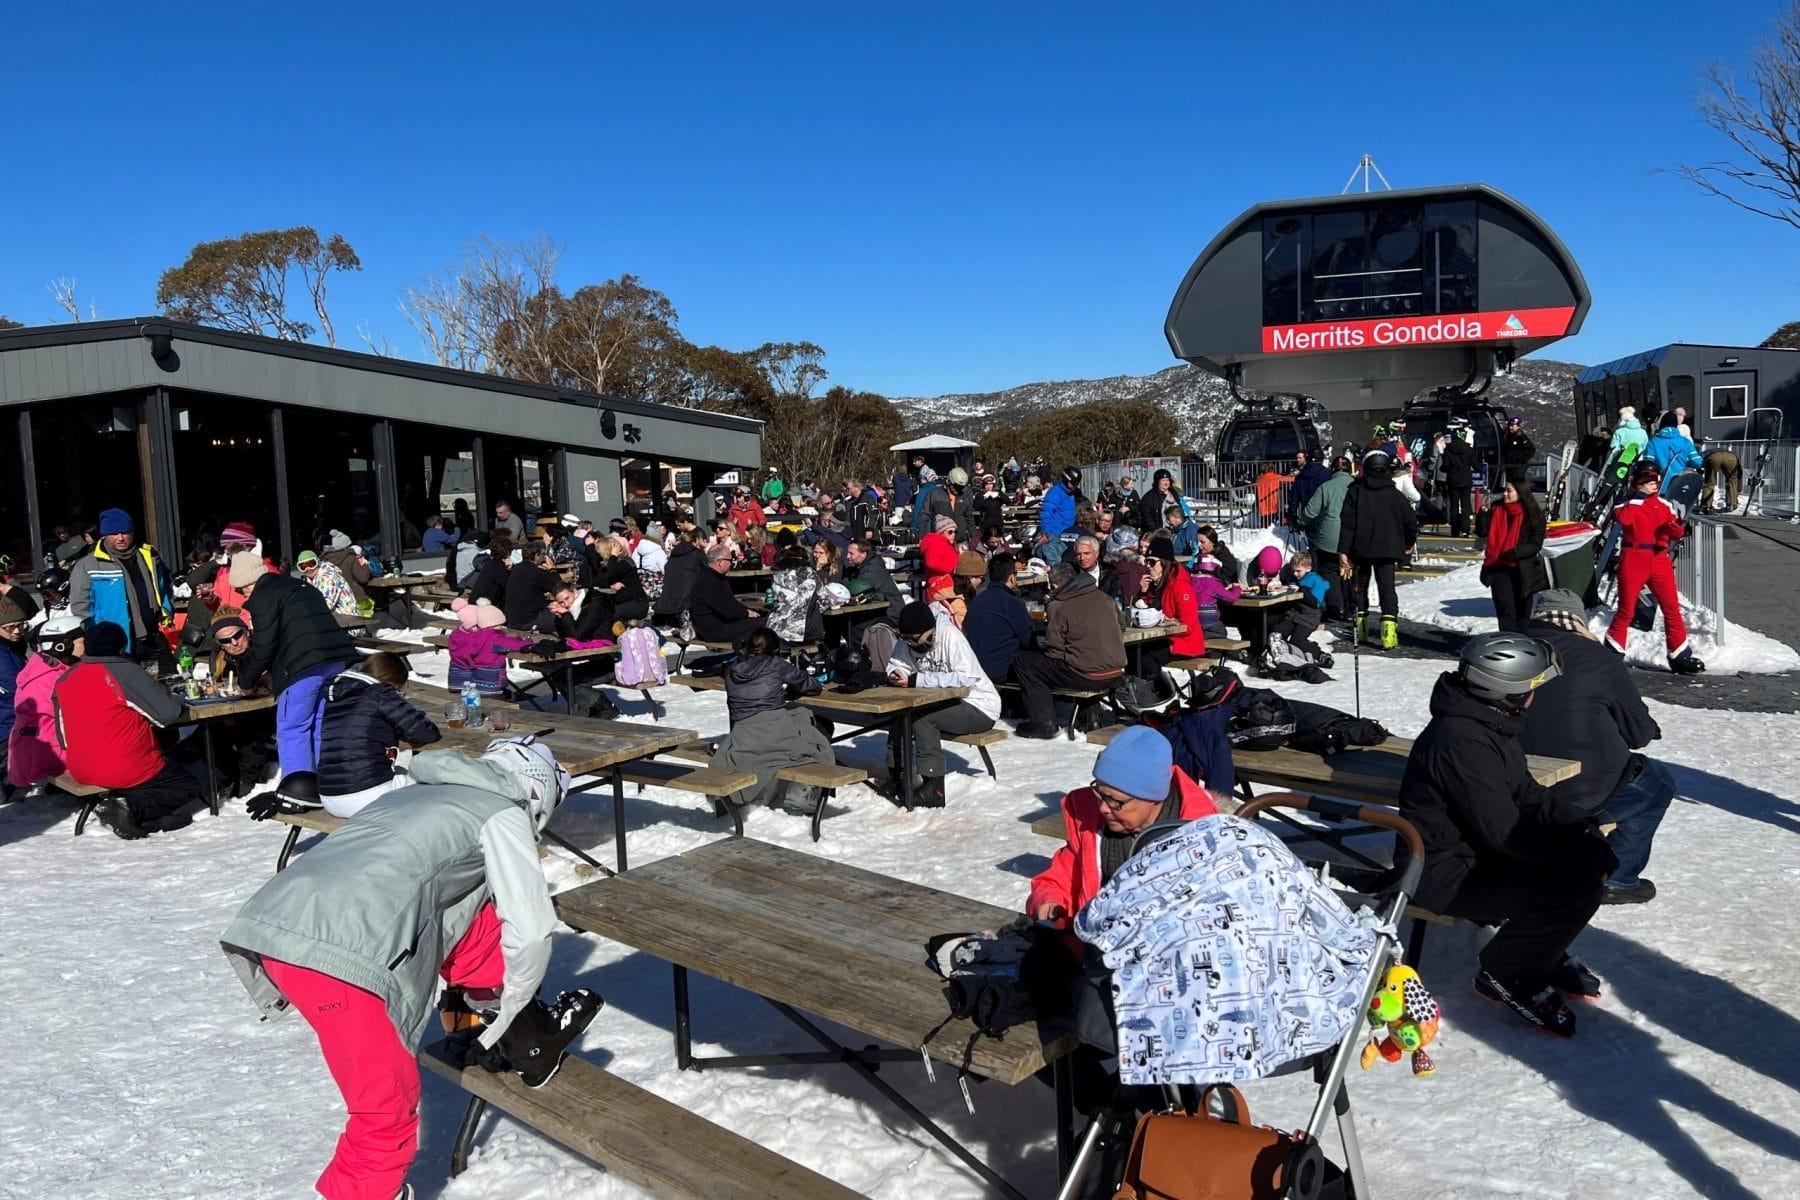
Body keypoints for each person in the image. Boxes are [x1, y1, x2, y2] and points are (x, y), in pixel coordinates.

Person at [221, 737, 601, 1200]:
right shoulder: (503, 812)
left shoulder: (412, 793)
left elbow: (449, 908)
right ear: (538, 796)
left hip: (277, 922)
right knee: (384, 1109)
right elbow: (532, 927)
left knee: (472, 911)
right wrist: (518, 997)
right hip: (336, 957)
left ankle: (522, 1039)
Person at [1398, 632, 1612, 1037]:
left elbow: (1525, 792)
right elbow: (1504, 835)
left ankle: (1538, 954)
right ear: (1509, 692)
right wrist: (1573, 851)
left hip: (1475, 856)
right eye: (1533, 688)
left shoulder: (1488, 722)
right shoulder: (1462, 740)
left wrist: (1576, 825)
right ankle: (1507, 973)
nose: (1537, 696)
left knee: (1584, 865)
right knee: (1576, 884)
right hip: (1443, 873)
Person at [1518, 589, 1670, 905]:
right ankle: (1619, 878)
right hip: (1580, 792)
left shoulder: (1506, 650)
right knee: (1656, 783)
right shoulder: (1600, 660)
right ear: (1579, 621)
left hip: (1510, 783)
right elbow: (1638, 734)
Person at [1026, 726, 1219, 925]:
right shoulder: (1093, 826)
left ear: (1152, 798)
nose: (1102, 808)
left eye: (1114, 800)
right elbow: (1061, 877)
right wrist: (1050, 900)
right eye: (1100, 793)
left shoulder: (1202, 842)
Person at [228, 552, 361, 805]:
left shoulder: (264, 595)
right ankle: (327, 783)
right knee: (319, 725)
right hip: (333, 661)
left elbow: (265, 644)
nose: (241, 595)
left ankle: (297, 792)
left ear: (248, 582)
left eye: (239, 589)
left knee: (293, 728)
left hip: (304, 668)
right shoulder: (296, 585)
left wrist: (247, 681)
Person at [53, 620, 202, 837]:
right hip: (127, 767)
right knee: (187, 786)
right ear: (122, 646)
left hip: (81, 767)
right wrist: (175, 698)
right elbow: (168, 714)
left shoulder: (66, 677)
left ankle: (144, 816)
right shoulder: (124, 672)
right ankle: (129, 806)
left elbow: (62, 735)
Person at [882, 601, 999, 806]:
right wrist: (895, 673)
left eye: (915, 639)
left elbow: (967, 678)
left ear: (931, 631)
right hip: (946, 703)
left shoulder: (951, 637)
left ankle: (934, 788)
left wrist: (916, 680)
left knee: (922, 719)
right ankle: (897, 776)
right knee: (901, 714)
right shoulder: (908, 638)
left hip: (978, 704)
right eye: (906, 640)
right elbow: (896, 663)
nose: (911, 644)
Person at [713, 629, 835, 815]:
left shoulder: (732, 669)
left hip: (742, 731)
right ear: (775, 649)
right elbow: (810, 685)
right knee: (812, 733)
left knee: (800, 717)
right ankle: (806, 789)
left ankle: (790, 788)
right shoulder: (775, 664)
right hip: (771, 726)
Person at [1605, 461, 1705, 674]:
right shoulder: (1627, 503)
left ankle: (1679, 655)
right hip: (1634, 557)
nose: (1654, 484)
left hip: (1658, 558)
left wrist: (1675, 528)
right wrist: (1637, 498)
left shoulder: (1663, 504)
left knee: (1671, 608)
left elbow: (1676, 531)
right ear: (1639, 482)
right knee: (1626, 610)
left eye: (1656, 480)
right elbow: (1623, 517)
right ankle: (1612, 653)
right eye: (1649, 481)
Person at [316, 651, 442, 819]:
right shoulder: (380, 694)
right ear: (394, 682)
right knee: (435, 786)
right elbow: (423, 732)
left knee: (401, 772)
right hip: (365, 796)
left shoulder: (337, 697)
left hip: (329, 796)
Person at [1013, 563, 1126, 740]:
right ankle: (1090, 715)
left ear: (1055, 585)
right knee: (1083, 656)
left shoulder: (1059, 604)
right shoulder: (1105, 598)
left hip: (1087, 675)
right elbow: (1122, 627)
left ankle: (1044, 722)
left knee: (1025, 661)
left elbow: (1054, 650)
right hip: (1115, 672)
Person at [68, 507, 175, 670]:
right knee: (129, 690)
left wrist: (166, 609)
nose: (120, 538)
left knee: (163, 684)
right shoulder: (88, 565)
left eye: (125, 532)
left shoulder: (149, 555)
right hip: (115, 643)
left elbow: (163, 586)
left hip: (153, 635)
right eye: (114, 533)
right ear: (104, 535)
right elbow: (80, 607)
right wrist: (95, 636)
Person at [1338, 450, 1418, 650]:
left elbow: (1347, 524)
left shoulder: (1355, 491)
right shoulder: (1394, 494)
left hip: (1361, 548)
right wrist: (1408, 543)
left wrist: (1343, 551)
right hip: (1389, 549)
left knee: (1360, 586)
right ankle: (1388, 633)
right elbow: (1410, 521)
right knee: (1387, 589)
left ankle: (1361, 629)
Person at [7, 614, 81, 793]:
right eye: (82, 641)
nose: (88, 644)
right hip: (47, 755)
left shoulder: (40, 668)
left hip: (30, 752)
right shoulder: (55, 680)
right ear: (63, 645)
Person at [1481, 479, 1548, 632]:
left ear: (1520, 493)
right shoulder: (1496, 509)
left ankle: (1523, 642)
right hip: (1498, 566)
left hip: (1523, 569)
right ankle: (1508, 641)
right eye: (1505, 490)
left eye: (1509, 491)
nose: (1505, 494)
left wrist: (1515, 552)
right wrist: (1483, 515)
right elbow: (1482, 532)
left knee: (1523, 611)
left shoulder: (1534, 515)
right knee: (1505, 609)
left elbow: (1535, 544)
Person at [965, 553, 1033, 685]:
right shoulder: (1012, 603)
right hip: (1001, 670)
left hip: (975, 668)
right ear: (1012, 577)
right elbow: (1028, 639)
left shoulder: (977, 601)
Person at [1138, 539, 1206, 671]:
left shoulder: (1180, 586)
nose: (1148, 566)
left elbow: (1188, 626)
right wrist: (1143, 593)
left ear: (1164, 563)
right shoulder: (1156, 582)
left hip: (1184, 643)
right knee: (1133, 652)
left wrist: (1165, 622)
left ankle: (1156, 689)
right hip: (1163, 638)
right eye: (1147, 561)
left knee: (1145, 656)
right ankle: (1140, 687)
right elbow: (1145, 611)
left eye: (1152, 562)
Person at [1300, 454, 1353, 618]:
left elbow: (1310, 512)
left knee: (1328, 570)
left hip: (1329, 538)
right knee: (1351, 572)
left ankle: (1335, 607)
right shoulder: (1357, 486)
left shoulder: (1326, 487)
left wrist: (1300, 520)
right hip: (1353, 537)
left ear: (1333, 469)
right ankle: (1352, 608)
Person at [449, 599, 532, 695]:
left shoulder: (458, 635)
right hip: (491, 685)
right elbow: (509, 644)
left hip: (461, 681)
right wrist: (527, 641)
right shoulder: (491, 638)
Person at [688, 544, 766, 644]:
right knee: (763, 624)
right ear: (720, 562)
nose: (732, 563)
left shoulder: (714, 577)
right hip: (714, 630)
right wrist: (746, 613)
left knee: (761, 621)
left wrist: (748, 611)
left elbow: (731, 603)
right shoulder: (708, 581)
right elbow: (727, 610)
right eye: (730, 560)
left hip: (722, 624)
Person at [768, 542, 824, 646]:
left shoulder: (777, 573)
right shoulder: (809, 572)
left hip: (776, 628)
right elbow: (825, 598)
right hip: (800, 632)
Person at [591, 535, 649, 627]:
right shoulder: (611, 564)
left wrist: (613, 556)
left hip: (637, 603)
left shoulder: (626, 562)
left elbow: (612, 573)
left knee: (608, 615)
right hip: (622, 603)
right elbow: (598, 581)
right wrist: (610, 586)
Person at [503, 546, 561, 633]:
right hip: (528, 620)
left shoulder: (516, 569)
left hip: (512, 619)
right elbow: (560, 588)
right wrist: (552, 569)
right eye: (543, 554)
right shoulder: (536, 572)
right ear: (537, 555)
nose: (544, 557)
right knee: (562, 619)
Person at [845, 539, 904, 622]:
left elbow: (855, 589)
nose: (847, 556)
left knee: (856, 628)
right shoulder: (859, 567)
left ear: (863, 554)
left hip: (891, 614)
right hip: (880, 611)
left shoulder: (873, 569)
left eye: (851, 553)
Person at [1189, 553, 1242, 640]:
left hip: (1195, 622)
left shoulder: (1191, 582)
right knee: (1222, 632)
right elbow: (1231, 598)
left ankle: (1204, 635)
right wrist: (1236, 588)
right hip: (1211, 622)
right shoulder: (1213, 583)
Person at [1439, 426, 1479, 537]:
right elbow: (1476, 465)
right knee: (1465, 504)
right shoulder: (1469, 449)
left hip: (1453, 479)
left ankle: (1455, 529)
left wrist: (1444, 468)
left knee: (1454, 505)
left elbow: (1445, 466)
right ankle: (1466, 529)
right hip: (1466, 478)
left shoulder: (1448, 449)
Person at [297, 549, 361, 617]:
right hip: (339, 619)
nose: (308, 569)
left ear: (318, 562)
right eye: (303, 567)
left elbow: (325, 606)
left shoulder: (328, 577)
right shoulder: (316, 577)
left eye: (311, 564)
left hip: (350, 623)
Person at [1038, 467, 1083, 560]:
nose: (1077, 485)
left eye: (1078, 483)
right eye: (1074, 483)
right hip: (1055, 534)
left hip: (1068, 534)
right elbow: (1046, 514)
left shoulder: (1071, 493)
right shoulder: (1055, 493)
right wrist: (1046, 534)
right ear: (1066, 480)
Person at [322, 531, 373, 609]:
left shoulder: (326, 561)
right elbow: (363, 579)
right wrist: (364, 565)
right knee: (367, 613)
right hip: (356, 597)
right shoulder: (350, 558)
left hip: (336, 600)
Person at [1644, 412, 1703, 478]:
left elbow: (1647, 466)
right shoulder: (1686, 442)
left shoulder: (1652, 443)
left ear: (1661, 425)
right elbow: (1697, 462)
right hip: (1680, 482)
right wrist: (1686, 463)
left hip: (1661, 483)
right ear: (1676, 425)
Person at [1287, 450, 1331, 525]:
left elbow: (1293, 499)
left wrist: (1293, 515)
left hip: (1307, 516)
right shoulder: (1328, 474)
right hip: (1325, 517)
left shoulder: (1300, 476)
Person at [469, 531, 513, 606]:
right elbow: (509, 585)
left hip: (478, 602)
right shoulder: (497, 567)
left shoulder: (492, 564)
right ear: (507, 552)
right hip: (481, 606)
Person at [1134, 469, 1182, 533]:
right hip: (1157, 531)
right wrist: (1156, 530)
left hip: (1175, 529)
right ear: (1157, 482)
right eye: (1163, 480)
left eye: (1167, 480)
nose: (1166, 483)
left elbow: (1180, 509)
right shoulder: (1149, 497)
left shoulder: (1173, 493)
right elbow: (1146, 515)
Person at [1700, 444, 1742, 513]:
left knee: (1709, 483)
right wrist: (1739, 488)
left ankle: (1707, 506)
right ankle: (1731, 504)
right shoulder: (1729, 452)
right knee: (1732, 481)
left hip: (1713, 457)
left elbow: (1699, 464)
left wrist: (1700, 472)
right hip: (1731, 457)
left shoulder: (1704, 453)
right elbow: (1739, 473)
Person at [1501, 416, 1536, 485]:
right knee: (1510, 483)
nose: (1510, 428)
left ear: (1518, 426)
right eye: (1510, 426)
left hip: (1519, 465)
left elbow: (1532, 449)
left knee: (1518, 483)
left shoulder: (1521, 437)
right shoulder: (1508, 436)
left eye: (1512, 426)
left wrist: (1523, 459)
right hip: (1509, 465)